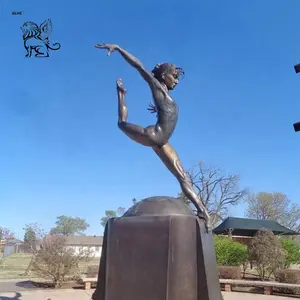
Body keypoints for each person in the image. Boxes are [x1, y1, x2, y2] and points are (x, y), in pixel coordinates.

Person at [95, 43, 210, 226]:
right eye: (174, 76)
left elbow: (166, 113)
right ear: (163, 76)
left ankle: (203, 212)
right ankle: (121, 94)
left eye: (178, 78)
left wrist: (158, 109)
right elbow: (139, 66)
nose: (177, 81)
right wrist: (118, 48)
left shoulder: (166, 96)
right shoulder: (156, 86)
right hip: (153, 136)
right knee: (121, 124)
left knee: (183, 177)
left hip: (163, 142)